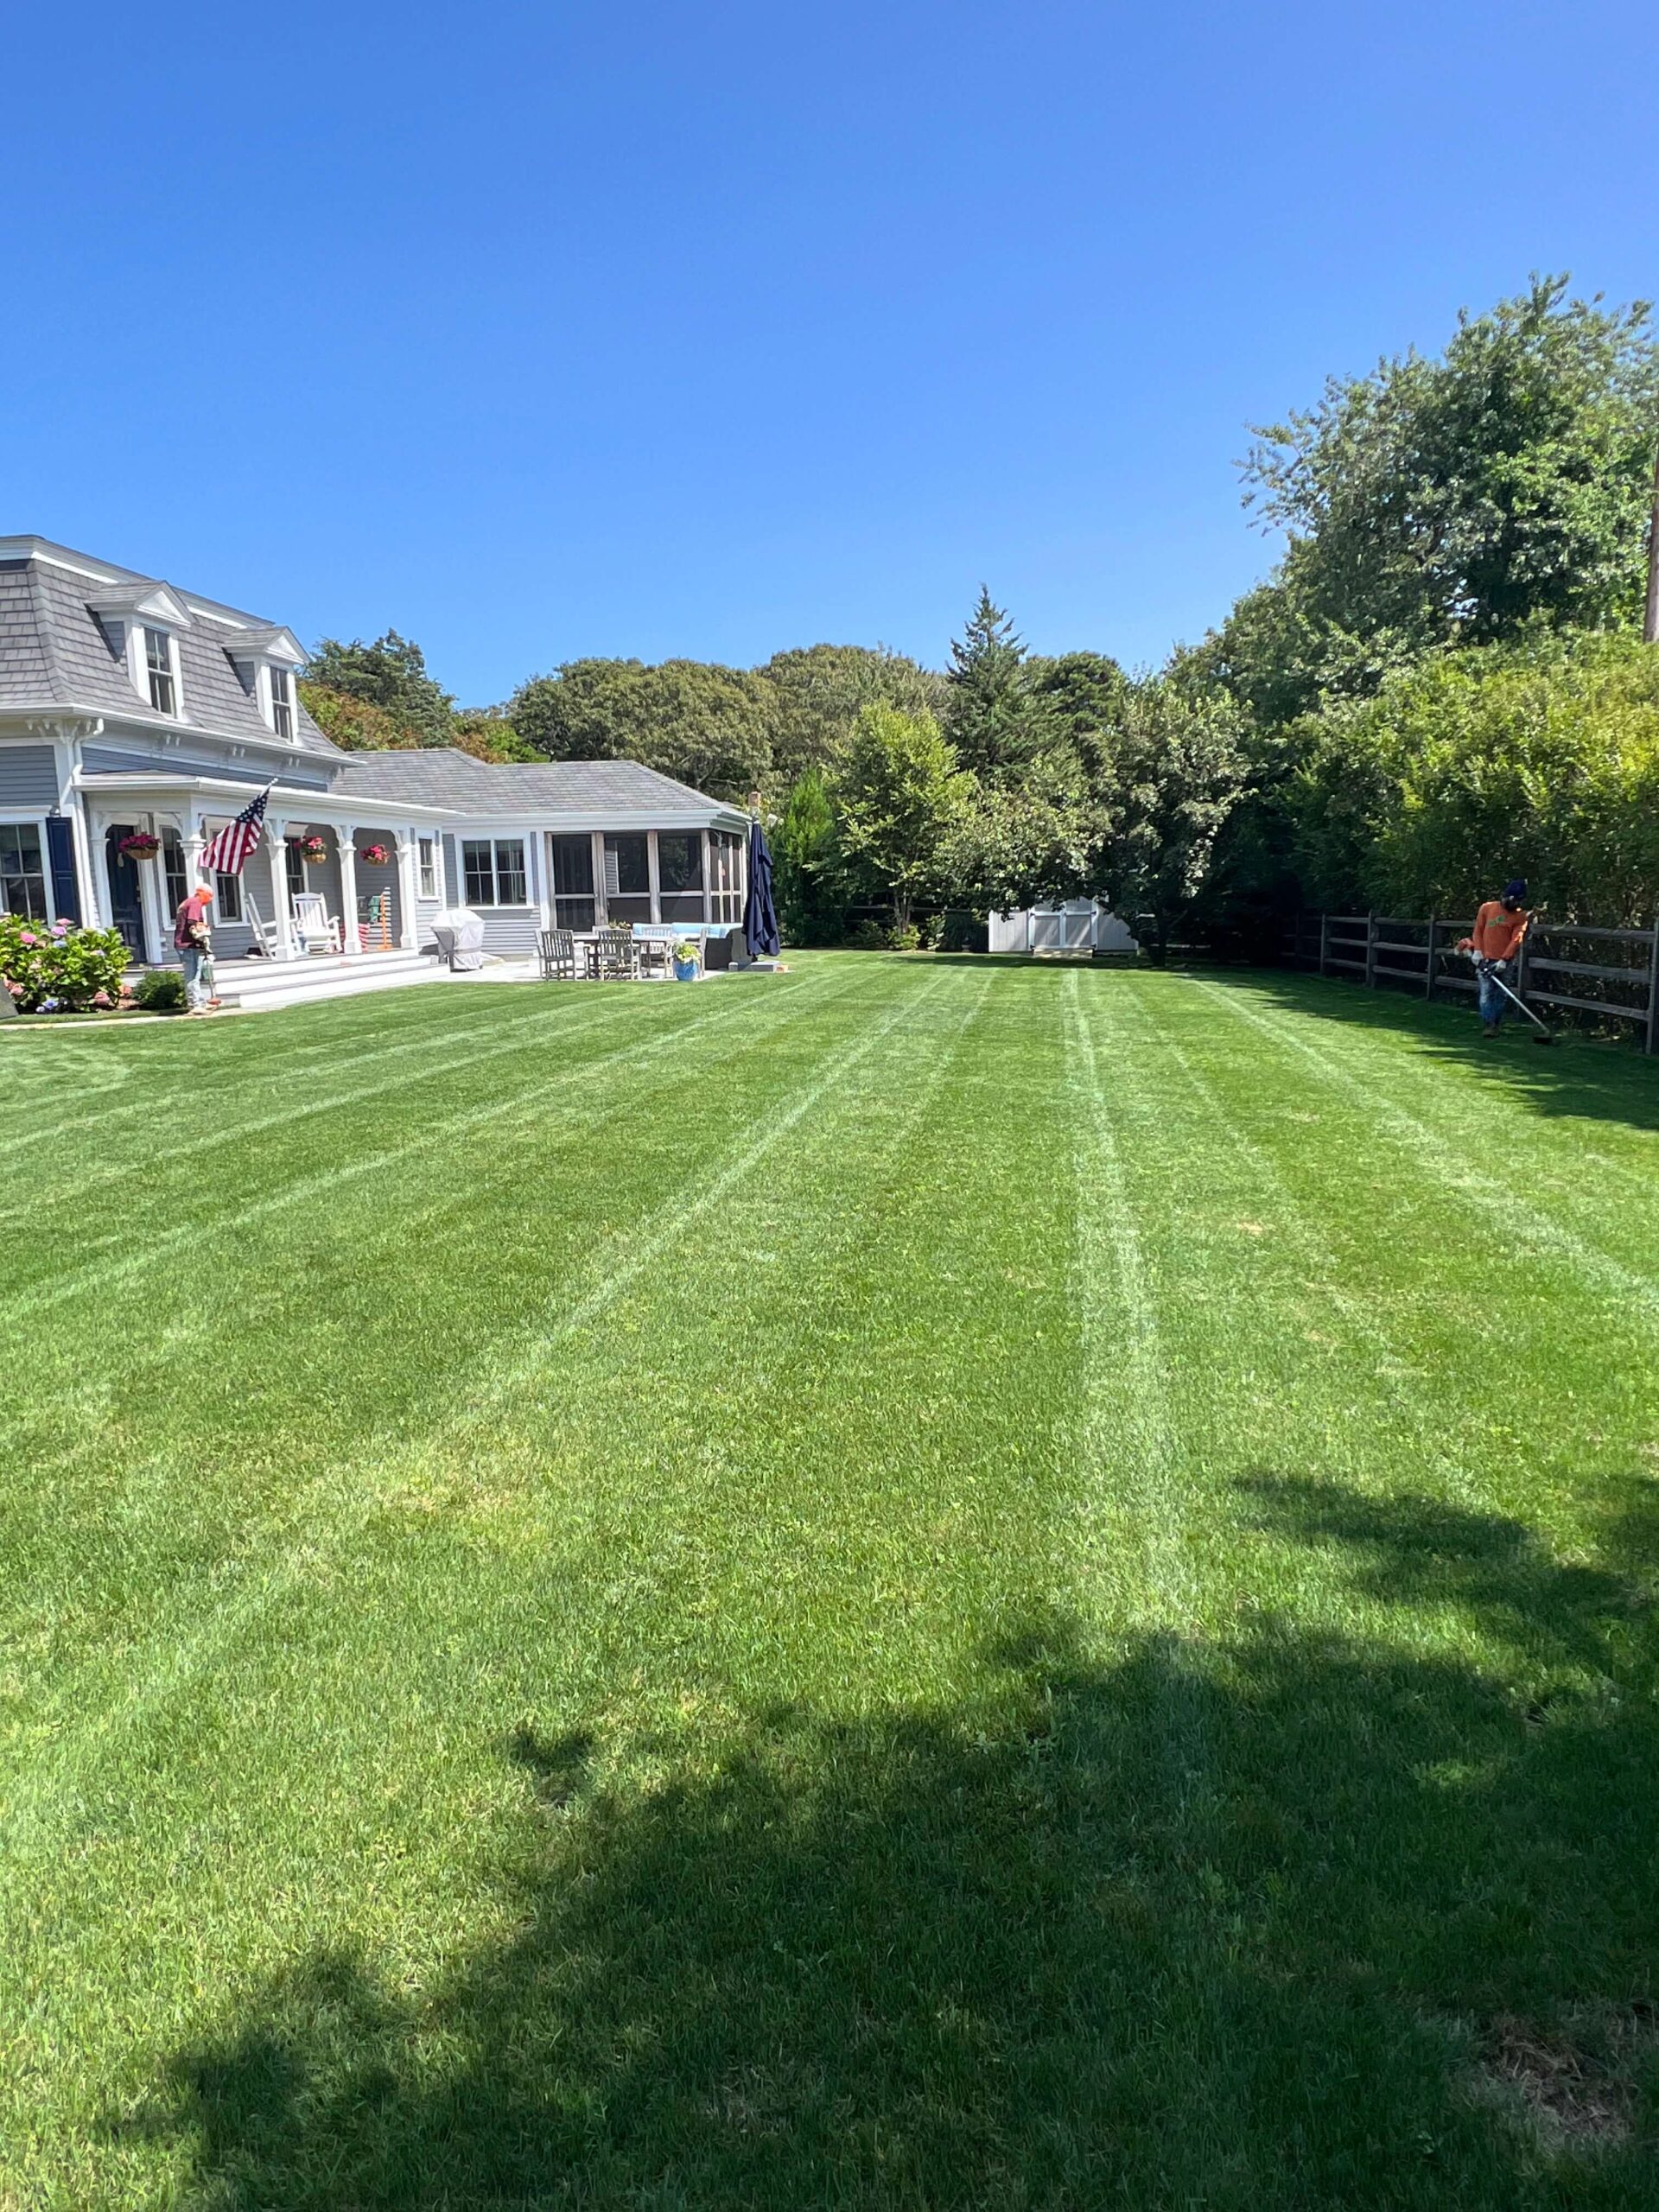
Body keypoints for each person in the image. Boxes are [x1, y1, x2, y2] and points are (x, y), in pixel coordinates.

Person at [1459, 878, 1531, 1038]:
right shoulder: (1487, 908)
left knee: (1500, 995)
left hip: (1504, 962)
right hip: (1484, 959)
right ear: (1506, 897)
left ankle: (1495, 1025)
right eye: (1513, 901)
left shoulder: (1520, 917)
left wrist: (1505, 959)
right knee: (1486, 994)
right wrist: (1478, 951)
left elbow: (1516, 939)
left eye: (1518, 902)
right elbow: (1478, 931)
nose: (1515, 905)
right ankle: (1488, 1025)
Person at [173, 880, 218, 1014]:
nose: (209, 901)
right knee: (192, 976)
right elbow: (193, 923)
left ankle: (201, 1003)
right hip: (187, 945)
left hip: (190, 945)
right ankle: (194, 1005)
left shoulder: (188, 902)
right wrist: (204, 933)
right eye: (209, 897)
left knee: (196, 976)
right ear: (203, 894)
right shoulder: (195, 902)